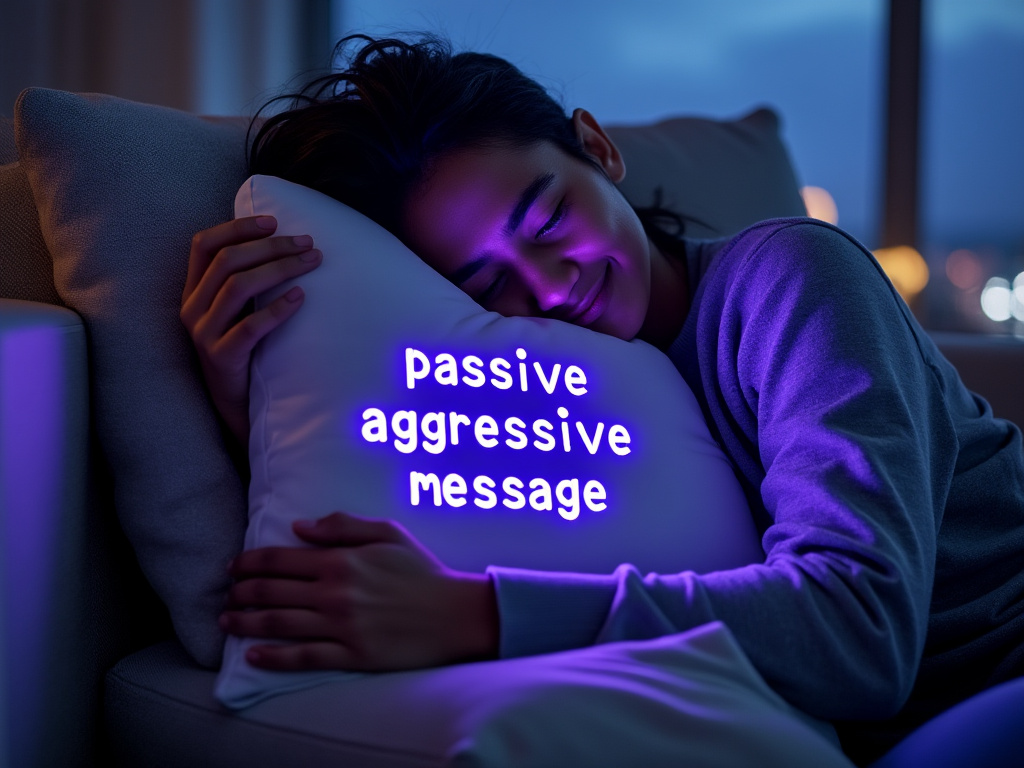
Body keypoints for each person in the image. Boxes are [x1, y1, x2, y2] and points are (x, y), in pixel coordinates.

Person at [179, 33, 1024, 764]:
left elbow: (860, 626)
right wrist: (244, 387)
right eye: (488, 284)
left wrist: (478, 613)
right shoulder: (542, 392)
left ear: (597, 149)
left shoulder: (788, 279)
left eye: (546, 222)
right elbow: (382, 509)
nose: (549, 287)